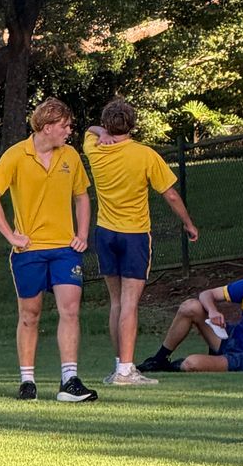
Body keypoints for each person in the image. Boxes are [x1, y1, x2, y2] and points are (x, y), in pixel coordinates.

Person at [0, 98, 96, 402]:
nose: (69, 131)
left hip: (65, 249)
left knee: (70, 310)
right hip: (29, 252)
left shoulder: (71, 156)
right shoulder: (15, 155)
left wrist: (82, 234)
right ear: (47, 127)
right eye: (64, 126)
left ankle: (69, 381)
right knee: (29, 315)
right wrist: (11, 235)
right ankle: (27, 381)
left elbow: (82, 197)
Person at [83, 99, 200, 387]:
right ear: (133, 124)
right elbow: (170, 194)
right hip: (134, 235)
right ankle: (126, 371)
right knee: (129, 304)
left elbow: (89, 129)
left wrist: (101, 132)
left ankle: (119, 366)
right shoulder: (145, 154)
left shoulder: (94, 147)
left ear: (107, 124)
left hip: (105, 233)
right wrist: (188, 223)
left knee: (116, 303)